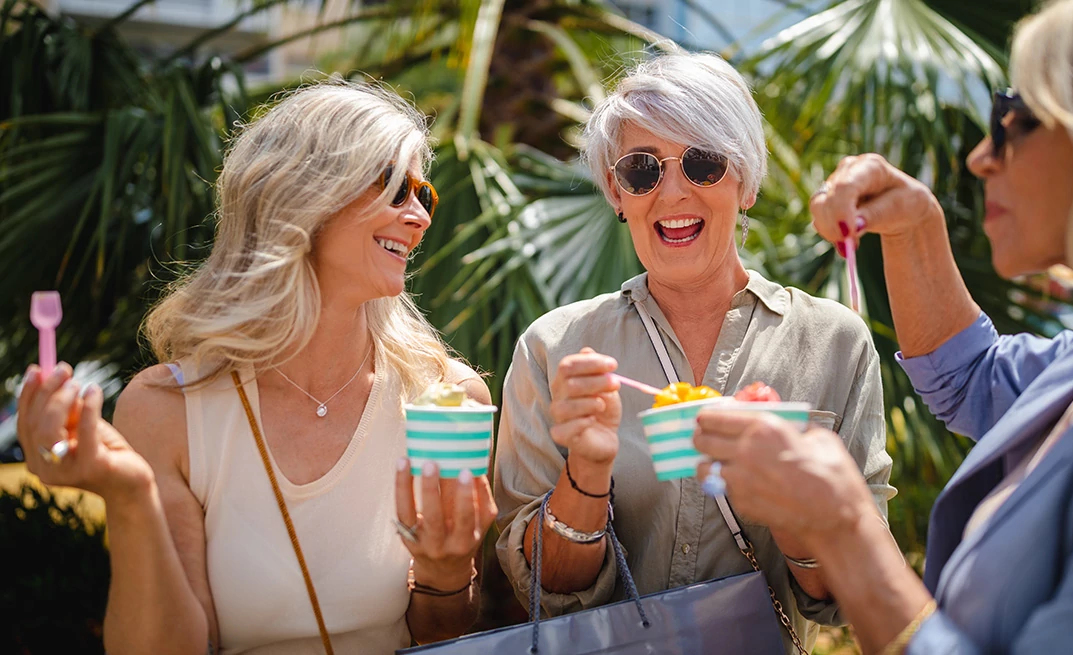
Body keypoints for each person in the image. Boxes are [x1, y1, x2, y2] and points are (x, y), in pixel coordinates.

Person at [692, 0, 1073, 652]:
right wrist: (913, 227)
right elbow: (972, 379)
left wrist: (844, 526)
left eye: (1012, 119)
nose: (983, 157)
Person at [16, 79, 496, 654]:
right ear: (303, 195)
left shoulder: (445, 401)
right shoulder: (166, 410)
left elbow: (448, 637)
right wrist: (128, 496)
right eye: (396, 187)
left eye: (425, 195)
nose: (419, 217)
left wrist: (445, 574)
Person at [493, 52, 896, 654]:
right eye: (641, 169)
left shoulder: (834, 342)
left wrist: (791, 505)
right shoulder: (554, 350)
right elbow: (537, 593)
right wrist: (585, 475)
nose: (673, 191)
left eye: (704, 163)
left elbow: (847, 598)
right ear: (615, 191)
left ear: (746, 181)